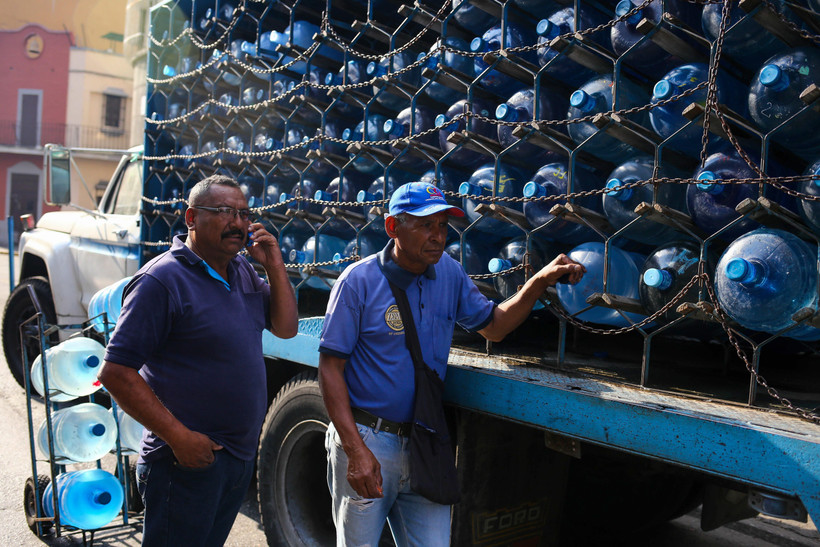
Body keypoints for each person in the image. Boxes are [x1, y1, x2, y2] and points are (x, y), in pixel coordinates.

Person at [318, 181, 585, 546]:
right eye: (426, 225)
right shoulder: (358, 282)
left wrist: (538, 282)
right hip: (370, 439)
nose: (438, 236)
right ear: (393, 227)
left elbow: (495, 327)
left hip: (426, 442)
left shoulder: (450, 273)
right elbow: (330, 368)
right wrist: (354, 449)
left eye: (443, 226)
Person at [98, 174, 298, 546]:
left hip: (233, 459)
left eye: (243, 213)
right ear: (191, 218)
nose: (237, 223)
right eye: (223, 211)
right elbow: (116, 372)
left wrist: (274, 264)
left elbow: (286, 328)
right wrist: (179, 438)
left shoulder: (241, 271)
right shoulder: (162, 280)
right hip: (184, 463)